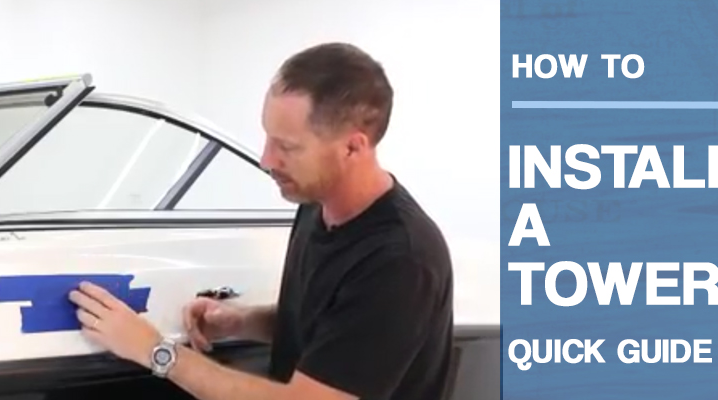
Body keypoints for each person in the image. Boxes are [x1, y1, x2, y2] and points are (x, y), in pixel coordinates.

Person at [68, 42, 454, 400]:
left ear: (353, 147)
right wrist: (240, 322)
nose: (267, 160)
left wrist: (155, 351)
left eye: (287, 147)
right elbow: (331, 332)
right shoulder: (315, 204)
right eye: (268, 138)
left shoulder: (399, 261)